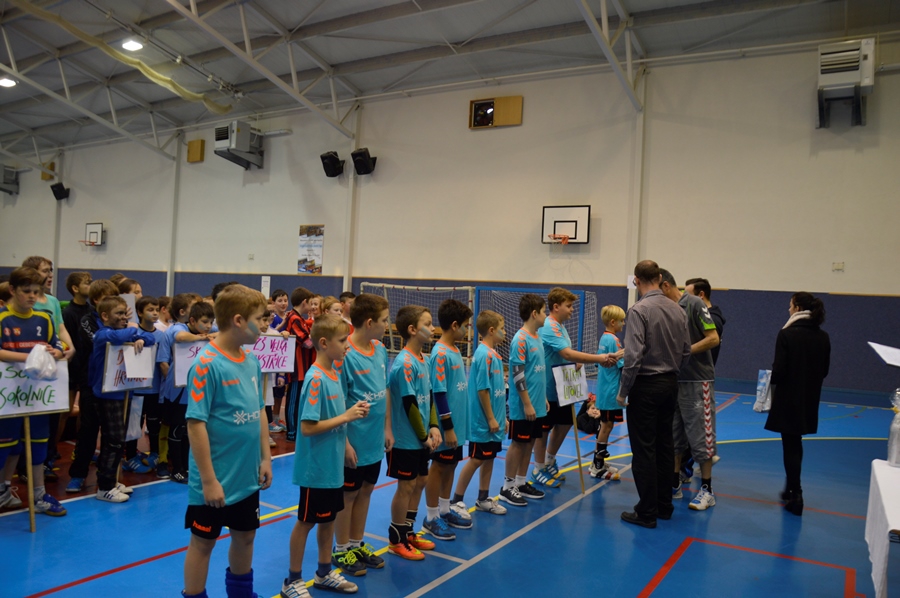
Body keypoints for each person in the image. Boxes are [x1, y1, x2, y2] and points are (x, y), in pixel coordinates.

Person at [181, 284, 273, 598]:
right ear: (238, 320)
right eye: (259, 319)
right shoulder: (206, 365)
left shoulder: (252, 361)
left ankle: (241, 594)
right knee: (203, 543)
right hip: (215, 479)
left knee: (245, 536)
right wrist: (209, 481)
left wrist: (265, 457)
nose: (264, 325)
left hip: (247, 476)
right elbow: (196, 425)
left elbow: (259, 410)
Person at [281, 314, 370, 597]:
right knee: (306, 522)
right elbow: (308, 427)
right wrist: (347, 416)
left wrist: (346, 445)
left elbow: (336, 418)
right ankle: (292, 580)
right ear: (323, 343)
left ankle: (323, 573)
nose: (347, 346)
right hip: (315, 468)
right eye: (342, 340)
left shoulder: (334, 374)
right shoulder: (315, 378)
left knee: (328, 519)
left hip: (333, 466)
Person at [617, 260, 691, 529]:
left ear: (636, 281)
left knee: (644, 449)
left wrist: (623, 391)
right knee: (665, 445)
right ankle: (664, 505)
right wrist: (671, 372)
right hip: (670, 384)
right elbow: (686, 351)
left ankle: (646, 511)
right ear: (659, 278)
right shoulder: (678, 309)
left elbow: (634, 356)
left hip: (646, 386)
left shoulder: (639, 310)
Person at [331, 294, 393, 575]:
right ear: (369, 322)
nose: (387, 325)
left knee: (367, 490)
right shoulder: (346, 355)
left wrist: (387, 428)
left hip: (374, 440)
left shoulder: (379, 348)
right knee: (349, 495)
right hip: (353, 441)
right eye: (384, 320)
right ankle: (341, 548)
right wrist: (345, 444)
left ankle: (356, 544)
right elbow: (338, 403)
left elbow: (384, 390)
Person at [532, 287, 618, 487]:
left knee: (565, 423)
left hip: (562, 389)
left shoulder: (560, 327)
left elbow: (564, 355)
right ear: (556, 307)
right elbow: (567, 353)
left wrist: (573, 362)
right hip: (547, 389)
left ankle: (550, 460)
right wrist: (599, 358)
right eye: (569, 306)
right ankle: (538, 468)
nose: (572, 310)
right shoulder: (549, 326)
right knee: (543, 430)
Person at [0, 267, 67, 515]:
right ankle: (2, 491)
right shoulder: (2, 318)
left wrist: (57, 351)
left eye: (36, 292)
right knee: (6, 445)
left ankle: (39, 495)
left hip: (38, 396)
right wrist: (28, 358)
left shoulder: (44, 319)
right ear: (12, 290)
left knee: (39, 444)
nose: (31, 296)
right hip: (8, 397)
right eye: (26, 291)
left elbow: (57, 345)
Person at [765, 292, 830, 516]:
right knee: (796, 443)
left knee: (790, 445)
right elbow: (824, 371)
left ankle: (796, 494)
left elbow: (779, 370)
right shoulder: (823, 337)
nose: (788, 309)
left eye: (790, 305)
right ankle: (790, 488)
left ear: (798, 308)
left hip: (788, 397)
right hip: (809, 397)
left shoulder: (786, 334)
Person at [659, 270, 719, 511]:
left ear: (665, 286)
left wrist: (685, 352)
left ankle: (707, 490)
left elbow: (713, 338)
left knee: (701, 437)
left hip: (697, 381)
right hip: (673, 381)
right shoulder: (665, 309)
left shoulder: (694, 303)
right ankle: (674, 483)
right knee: (673, 437)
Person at [385, 305, 441, 561]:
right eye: (427, 324)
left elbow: (428, 397)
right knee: (406, 486)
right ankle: (396, 539)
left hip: (421, 438)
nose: (433, 328)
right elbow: (409, 404)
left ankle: (408, 531)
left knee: (420, 481)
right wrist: (422, 437)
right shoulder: (404, 364)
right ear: (412, 329)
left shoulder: (424, 360)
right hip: (406, 440)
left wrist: (434, 426)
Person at [89, 296, 156, 502]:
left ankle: (112, 481)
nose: (124, 318)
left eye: (125, 314)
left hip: (124, 391)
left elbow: (150, 338)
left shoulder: (123, 332)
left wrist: (141, 339)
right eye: (119, 314)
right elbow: (121, 335)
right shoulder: (102, 334)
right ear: (104, 316)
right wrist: (135, 329)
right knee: (113, 440)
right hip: (108, 394)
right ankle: (104, 487)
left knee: (119, 439)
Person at [423, 299, 475, 539]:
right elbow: (439, 393)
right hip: (446, 427)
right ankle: (432, 516)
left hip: (458, 425)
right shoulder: (440, 353)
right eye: (466, 325)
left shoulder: (454, 350)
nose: (467, 330)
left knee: (451, 464)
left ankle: (445, 509)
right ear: (455, 325)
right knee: (439, 467)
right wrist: (448, 427)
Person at [66, 279, 122, 493]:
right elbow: (102, 341)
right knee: (88, 430)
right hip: (90, 381)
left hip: (114, 382)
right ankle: (78, 474)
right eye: (107, 298)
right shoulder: (88, 320)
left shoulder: (121, 321)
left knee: (111, 434)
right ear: (97, 300)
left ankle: (107, 477)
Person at [452, 310, 508, 514]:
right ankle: (456, 500)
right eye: (502, 329)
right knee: (476, 459)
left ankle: (483, 498)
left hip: (495, 420)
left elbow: (497, 392)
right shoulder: (483, 355)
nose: (505, 332)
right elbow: (483, 390)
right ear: (491, 330)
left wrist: (502, 418)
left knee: (489, 457)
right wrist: (491, 418)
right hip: (482, 421)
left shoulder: (494, 354)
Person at [501, 294, 549, 507]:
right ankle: (507, 486)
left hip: (537, 403)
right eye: (544, 311)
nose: (546, 315)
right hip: (523, 406)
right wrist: (527, 403)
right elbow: (518, 374)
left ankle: (521, 482)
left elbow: (537, 372)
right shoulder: (520, 340)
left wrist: (542, 398)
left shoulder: (537, 337)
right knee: (519, 443)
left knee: (529, 442)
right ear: (534, 313)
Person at [168, 301, 215, 483]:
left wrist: (210, 334)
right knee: (177, 429)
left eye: (211, 322)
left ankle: (188, 466)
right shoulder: (179, 328)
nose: (209, 326)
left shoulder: (210, 330)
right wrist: (201, 337)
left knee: (191, 430)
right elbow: (180, 337)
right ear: (193, 320)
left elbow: (223, 332)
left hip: (197, 391)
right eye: (205, 322)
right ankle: (176, 468)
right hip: (178, 389)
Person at [123, 296, 163, 474]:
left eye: (157, 310)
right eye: (150, 310)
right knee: (134, 425)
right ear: (139, 312)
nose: (155, 313)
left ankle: (155, 453)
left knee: (154, 424)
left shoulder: (161, 335)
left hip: (155, 388)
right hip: (136, 390)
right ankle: (130, 457)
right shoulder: (132, 332)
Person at [590, 305, 626, 481]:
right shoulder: (614, 340)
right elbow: (622, 364)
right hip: (611, 391)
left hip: (604, 389)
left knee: (605, 425)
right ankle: (597, 466)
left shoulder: (604, 338)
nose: (623, 323)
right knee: (606, 426)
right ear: (613, 322)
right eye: (621, 321)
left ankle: (597, 462)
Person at [59, 271, 92, 453]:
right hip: (72, 369)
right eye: (87, 283)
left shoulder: (92, 311)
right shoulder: (68, 313)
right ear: (75, 288)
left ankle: (80, 450)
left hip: (88, 369)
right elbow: (69, 343)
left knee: (85, 413)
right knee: (65, 412)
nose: (91, 285)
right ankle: (52, 451)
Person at [282, 287, 316, 443]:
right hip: (297, 368)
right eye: (311, 303)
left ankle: (296, 429)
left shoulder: (298, 318)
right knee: (293, 400)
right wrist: (320, 336)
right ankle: (292, 432)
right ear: (304, 302)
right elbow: (307, 342)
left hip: (303, 366)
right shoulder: (294, 318)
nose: (312, 306)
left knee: (298, 400)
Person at [684, 278, 725, 366]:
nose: (685, 299)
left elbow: (711, 343)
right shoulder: (698, 316)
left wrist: (684, 351)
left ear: (701, 295)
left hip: (700, 372)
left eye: (688, 296)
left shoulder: (714, 320)